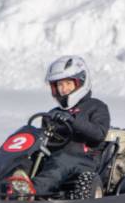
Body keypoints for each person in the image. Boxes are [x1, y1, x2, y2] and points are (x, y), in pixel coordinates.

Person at [24, 55, 111, 195]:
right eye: (59, 85)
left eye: (68, 84)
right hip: (56, 159)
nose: (63, 89)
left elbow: (99, 134)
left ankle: (30, 191)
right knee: (27, 158)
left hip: (86, 160)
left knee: (62, 160)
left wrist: (73, 121)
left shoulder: (96, 107)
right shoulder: (53, 113)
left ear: (81, 82)